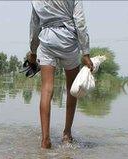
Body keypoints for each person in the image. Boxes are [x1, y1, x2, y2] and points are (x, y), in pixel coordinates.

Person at [27, 0, 93, 149]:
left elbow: (34, 24)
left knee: (46, 89)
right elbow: (80, 22)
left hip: (47, 40)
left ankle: (45, 140)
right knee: (72, 89)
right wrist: (86, 52)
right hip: (68, 40)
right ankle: (67, 134)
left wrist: (32, 51)